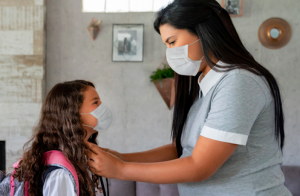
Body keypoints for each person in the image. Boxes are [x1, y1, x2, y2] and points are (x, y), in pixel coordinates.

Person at [85, 0, 292, 195]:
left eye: (172, 42)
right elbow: (181, 150)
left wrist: (121, 169)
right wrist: (121, 158)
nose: (169, 54)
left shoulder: (239, 82)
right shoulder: (206, 87)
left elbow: (199, 166)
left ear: (203, 32)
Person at [11, 80, 111, 196]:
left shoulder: (75, 160)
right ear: (73, 113)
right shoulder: (60, 173)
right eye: (95, 103)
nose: (102, 107)